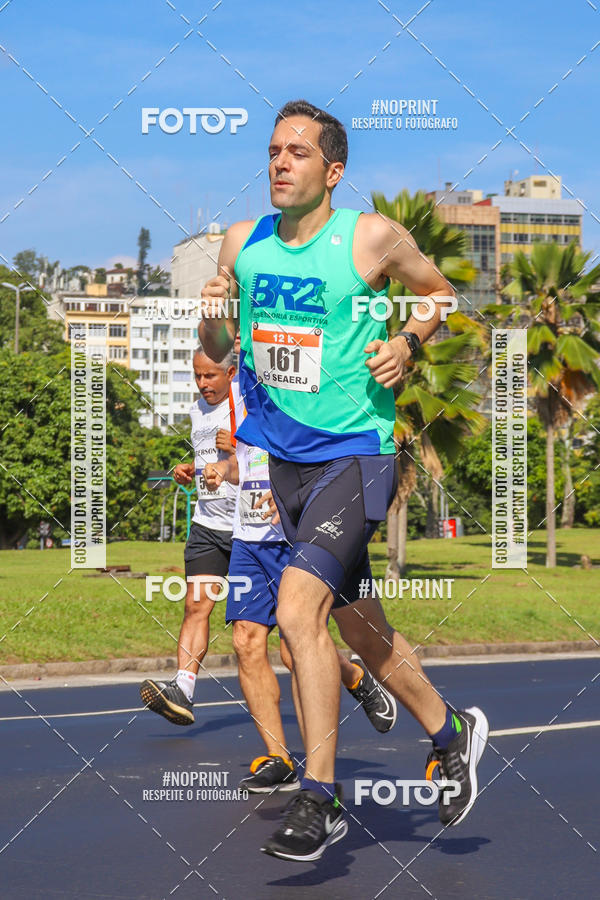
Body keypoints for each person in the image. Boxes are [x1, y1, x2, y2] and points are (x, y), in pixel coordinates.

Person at [198, 98, 489, 862]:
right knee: (362, 628)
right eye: (271, 151)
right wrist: (213, 316)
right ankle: (452, 732)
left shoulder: (369, 237)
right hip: (286, 463)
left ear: (333, 170)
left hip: (355, 456)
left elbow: (438, 294)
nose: (278, 163)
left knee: (299, 612)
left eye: (296, 152)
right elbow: (219, 347)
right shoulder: (241, 243)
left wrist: (408, 339)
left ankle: (319, 797)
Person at [202, 367, 398, 794]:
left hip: (295, 531)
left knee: (297, 651)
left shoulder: (300, 370)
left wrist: (298, 497)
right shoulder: (235, 396)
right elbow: (247, 460)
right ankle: (278, 758)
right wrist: (223, 469)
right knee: (245, 640)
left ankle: (353, 682)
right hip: (250, 535)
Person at [139, 347, 237, 725]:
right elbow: (207, 456)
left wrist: (239, 448)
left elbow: (272, 453)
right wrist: (189, 468)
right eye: (197, 376)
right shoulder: (198, 409)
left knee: (292, 631)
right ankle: (183, 689)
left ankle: (353, 675)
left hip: (251, 529)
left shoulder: (249, 400)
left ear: (231, 373)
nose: (202, 383)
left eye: (210, 376)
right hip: (208, 524)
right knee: (196, 606)